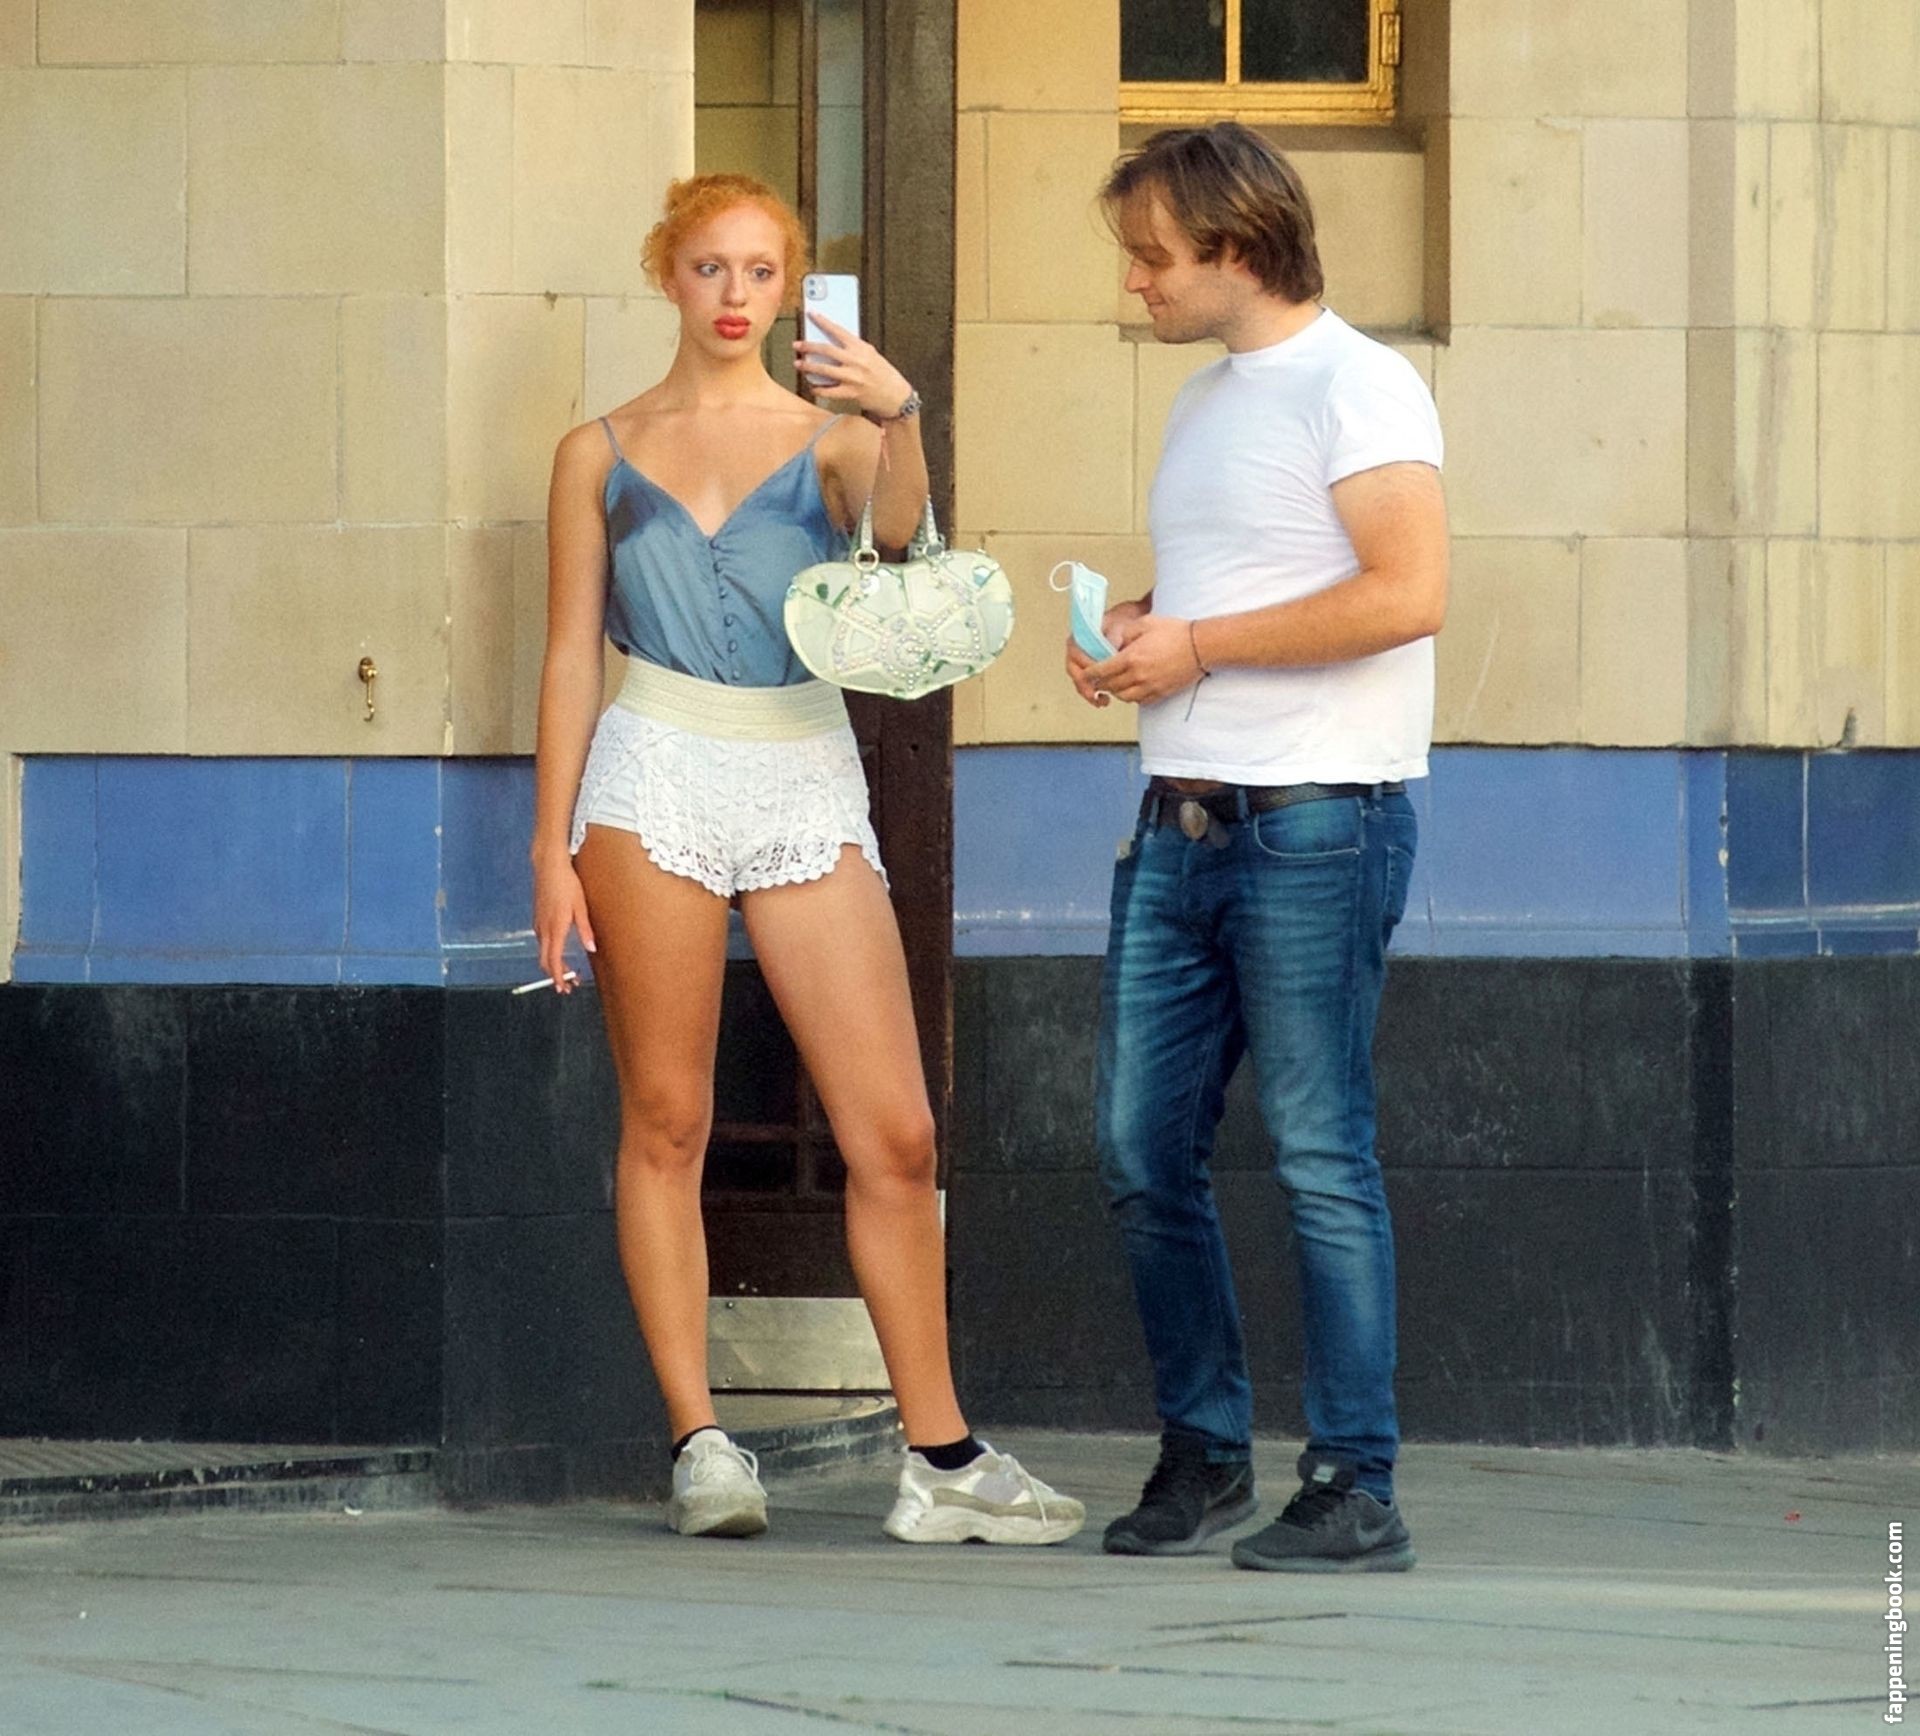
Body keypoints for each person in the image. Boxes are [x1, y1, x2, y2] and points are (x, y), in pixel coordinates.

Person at [533, 172, 1082, 1547]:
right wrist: (550, 846)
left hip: (801, 764)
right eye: (709, 268)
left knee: (895, 1132)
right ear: (667, 275)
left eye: (762, 272)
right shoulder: (597, 450)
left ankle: (941, 1458)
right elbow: (568, 654)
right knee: (668, 1119)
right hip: (652, 766)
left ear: (792, 288)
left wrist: (901, 414)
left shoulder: (834, 436)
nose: (735, 296)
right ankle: (701, 1444)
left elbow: (898, 541)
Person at [1066, 124, 1447, 1572]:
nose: (1136, 281)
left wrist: (1201, 645)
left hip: (1315, 827)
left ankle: (1356, 1483)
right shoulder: (1207, 399)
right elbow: (1238, 584)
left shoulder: (1364, 384)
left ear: (1234, 245)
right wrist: (1139, 630)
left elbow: (1408, 593)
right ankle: (1206, 1452)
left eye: (1153, 255)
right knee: (1138, 1149)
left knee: (1319, 1153)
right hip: (1176, 826)